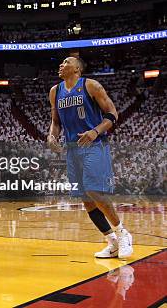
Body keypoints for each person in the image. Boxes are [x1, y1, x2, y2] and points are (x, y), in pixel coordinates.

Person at [48, 57, 133, 259]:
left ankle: (123, 234)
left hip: (95, 144)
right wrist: (52, 135)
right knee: (85, 198)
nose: (61, 64)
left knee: (94, 190)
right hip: (72, 149)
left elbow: (112, 113)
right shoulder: (55, 91)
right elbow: (55, 122)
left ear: (77, 68)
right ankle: (111, 241)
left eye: (66, 62)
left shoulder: (91, 85)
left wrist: (95, 131)